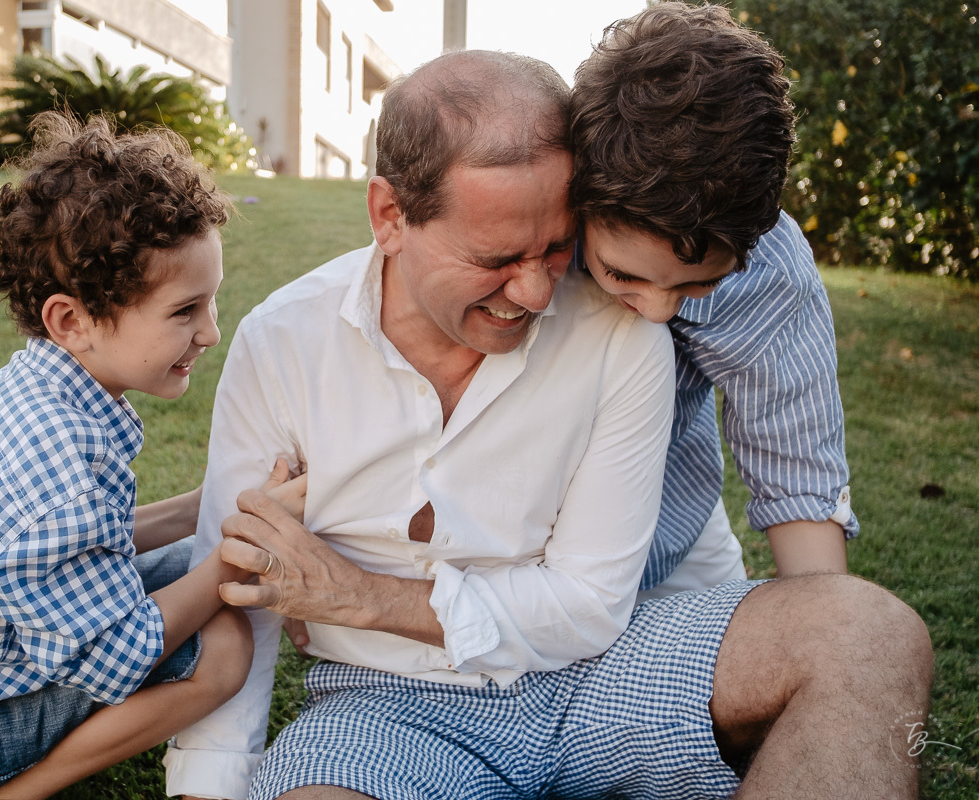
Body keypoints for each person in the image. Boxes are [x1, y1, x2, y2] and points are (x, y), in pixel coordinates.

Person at [164, 49, 932, 800]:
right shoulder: (283, 341)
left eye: (557, 249)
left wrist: (359, 595)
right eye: (497, 256)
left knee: (865, 634)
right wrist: (209, 784)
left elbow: (599, 598)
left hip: (619, 662)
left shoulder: (629, 331)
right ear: (389, 216)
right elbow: (237, 581)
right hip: (391, 699)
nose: (535, 292)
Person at [0, 113, 300, 800]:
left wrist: (210, 507)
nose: (211, 332)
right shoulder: (53, 473)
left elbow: (85, 547)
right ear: (71, 321)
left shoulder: (41, 393)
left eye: (211, 303)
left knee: (194, 567)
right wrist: (235, 552)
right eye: (184, 311)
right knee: (222, 649)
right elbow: (117, 654)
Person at [569, 2, 857, 599]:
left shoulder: (770, 273)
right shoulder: (526, 218)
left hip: (674, 526)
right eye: (621, 273)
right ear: (578, 197)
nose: (657, 311)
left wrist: (826, 623)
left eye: (696, 285)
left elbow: (796, 467)